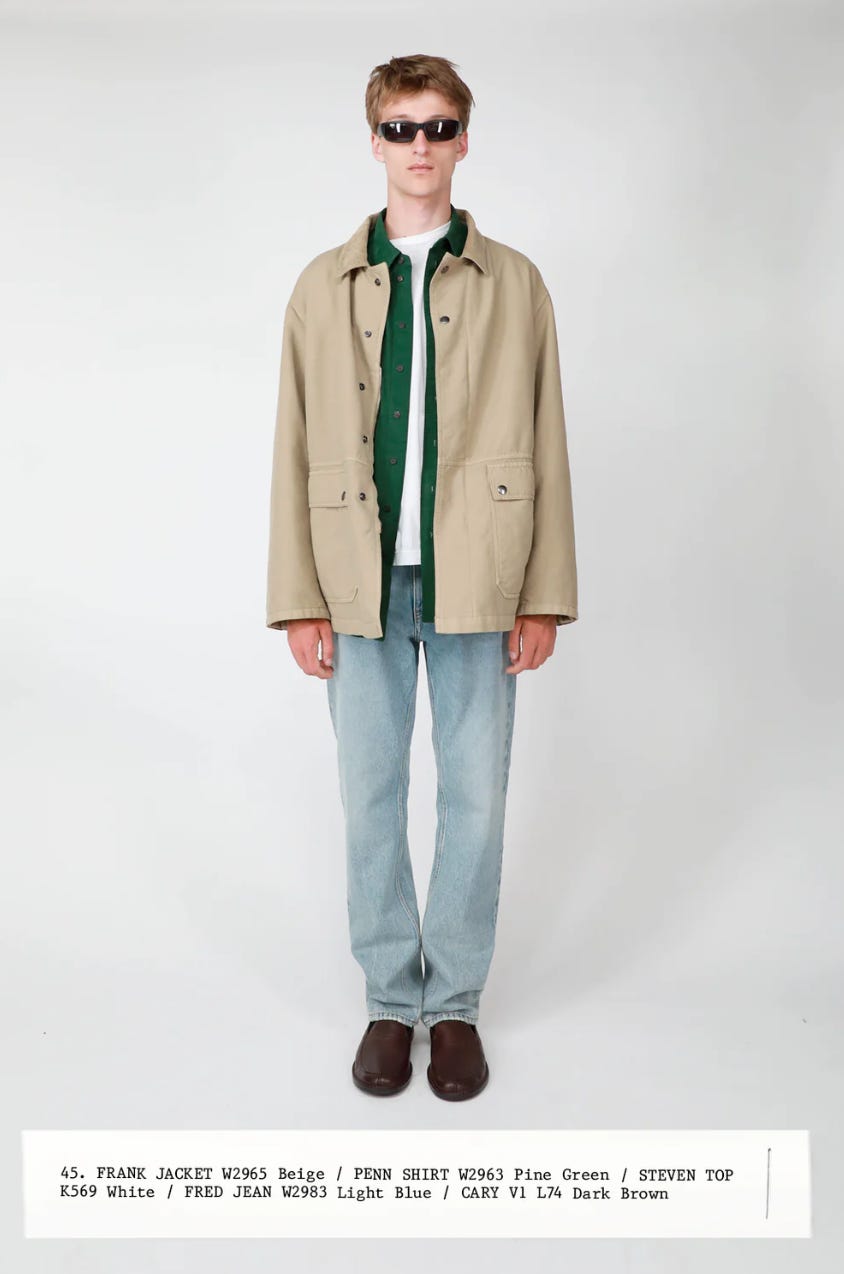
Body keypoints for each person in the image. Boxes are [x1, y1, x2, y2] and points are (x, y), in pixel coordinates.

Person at [266, 54, 577, 1100]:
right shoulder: (321, 285)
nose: (420, 147)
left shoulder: (515, 282)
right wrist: (298, 597)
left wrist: (544, 593)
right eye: (401, 128)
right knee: (370, 796)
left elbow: (546, 435)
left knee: (476, 798)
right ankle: (389, 1003)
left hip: (479, 576)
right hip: (356, 579)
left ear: (464, 140)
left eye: (438, 127)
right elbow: (292, 444)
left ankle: (454, 1009)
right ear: (374, 141)